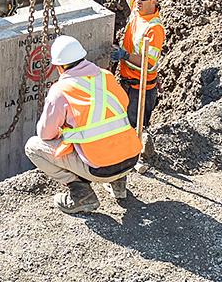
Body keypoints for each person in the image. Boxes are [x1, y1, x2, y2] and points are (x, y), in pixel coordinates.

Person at [24, 35, 143, 214]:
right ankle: (119, 184)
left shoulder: (60, 90)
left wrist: (67, 131)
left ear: (60, 67)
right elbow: (122, 106)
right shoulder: (106, 77)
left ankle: (81, 193)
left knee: (33, 147)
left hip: (100, 169)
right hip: (131, 159)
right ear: (83, 57)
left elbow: (45, 135)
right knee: (111, 132)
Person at [113, 0, 166, 130]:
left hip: (140, 91)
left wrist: (125, 55)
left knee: (132, 129)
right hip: (127, 83)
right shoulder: (136, 11)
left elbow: (149, 64)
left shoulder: (154, 29)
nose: (138, 1)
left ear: (154, 0)